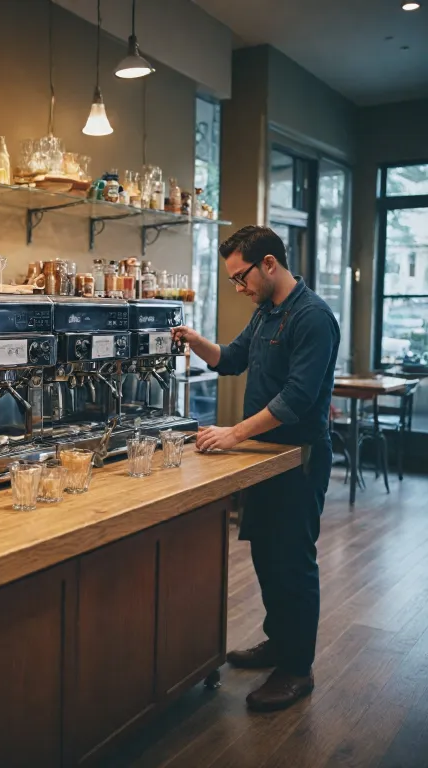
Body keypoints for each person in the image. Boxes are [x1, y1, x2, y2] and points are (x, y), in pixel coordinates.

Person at [172, 225, 340, 712]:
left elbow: (297, 399)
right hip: (263, 460)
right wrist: (194, 339)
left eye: (241, 277)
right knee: (267, 556)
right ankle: (278, 641)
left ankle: (297, 669)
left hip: (298, 459)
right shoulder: (266, 312)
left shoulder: (313, 317)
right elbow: (230, 359)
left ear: (269, 263)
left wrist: (234, 433)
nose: (239, 288)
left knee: (293, 562)